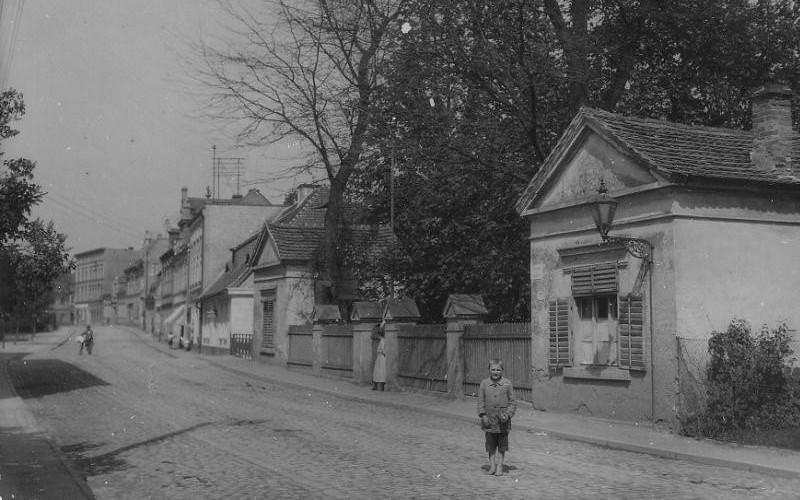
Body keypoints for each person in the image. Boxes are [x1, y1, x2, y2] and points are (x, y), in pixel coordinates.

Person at [477, 359, 516, 476]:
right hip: (489, 419)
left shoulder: (507, 383)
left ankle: (500, 466)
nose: (495, 372)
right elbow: (480, 401)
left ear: (502, 371)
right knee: (490, 444)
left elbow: (513, 402)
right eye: (493, 369)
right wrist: (483, 415)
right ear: (489, 370)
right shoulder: (484, 384)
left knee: (502, 444)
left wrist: (508, 414)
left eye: (498, 369)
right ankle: (492, 465)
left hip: (503, 420)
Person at [372, 325, 386, 391]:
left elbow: (384, 351)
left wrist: (381, 352)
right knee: (378, 371)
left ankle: (380, 386)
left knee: (381, 372)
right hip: (380, 357)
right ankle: (377, 385)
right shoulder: (382, 340)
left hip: (382, 358)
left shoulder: (383, 340)